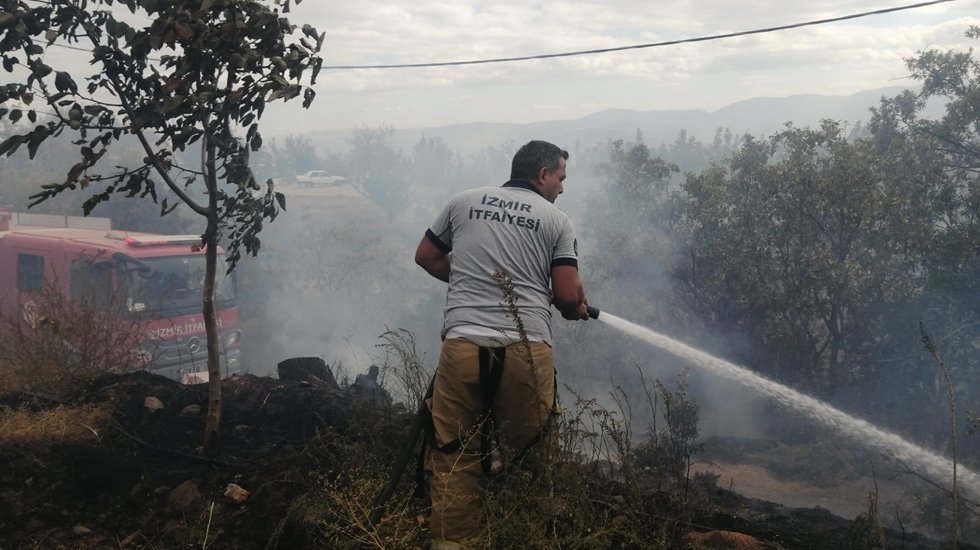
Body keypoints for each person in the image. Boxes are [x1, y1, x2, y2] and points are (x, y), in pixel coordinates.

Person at [414, 139, 589, 549]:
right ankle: (531, 538)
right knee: (532, 456)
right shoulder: (557, 220)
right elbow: (565, 295)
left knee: (453, 452)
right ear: (543, 175)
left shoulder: (464, 201)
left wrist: (469, 281)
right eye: (561, 178)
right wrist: (575, 303)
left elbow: (426, 255)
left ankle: (456, 543)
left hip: (462, 347)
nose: (562, 188)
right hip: (525, 351)